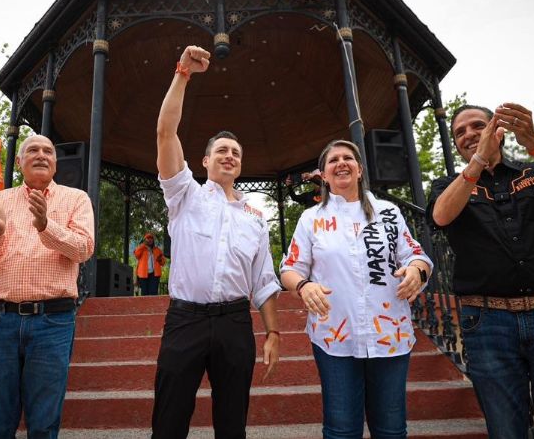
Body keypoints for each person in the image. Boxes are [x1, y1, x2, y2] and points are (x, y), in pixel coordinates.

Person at [427, 104, 534, 438]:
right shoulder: (448, 185)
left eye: (478, 125)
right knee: (506, 430)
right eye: (459, 132)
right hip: (488, 323)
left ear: (498, 129)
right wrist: (478, 162)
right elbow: (441, 217)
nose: (469, 135)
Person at [152, 45, 281, 439]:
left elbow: (264, 281)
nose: (229, 156)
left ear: (241, 164)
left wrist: (273, 332)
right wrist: (182, 74)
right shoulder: (184, 195)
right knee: (169, 420)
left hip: (234, 323)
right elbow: (165, 131)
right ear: (205, 161)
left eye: (236, 153)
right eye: (221, 150)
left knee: (232, 423)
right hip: (185, 320)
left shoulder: (255, 220)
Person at [279, 139, 432, 439]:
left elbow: (417, 255)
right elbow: (289, 268)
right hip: (334, 337)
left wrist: (417, 270)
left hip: (390, 336)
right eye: (333, 160)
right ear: (323, 175)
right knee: (341, 430)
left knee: (391, 430)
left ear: (360, 169)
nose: (341, 163)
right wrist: (304, 285)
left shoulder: (388, 212)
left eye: (348, 158)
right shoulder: (311, 219)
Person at [0, 134, 94, 439]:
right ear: (20, 161)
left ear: (55, 163)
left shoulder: (75, 199)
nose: (41, 155)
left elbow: (84, 249)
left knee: (44, 423)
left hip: (53, 321)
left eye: (48, 151)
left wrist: (45, 225)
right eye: (32, 150)